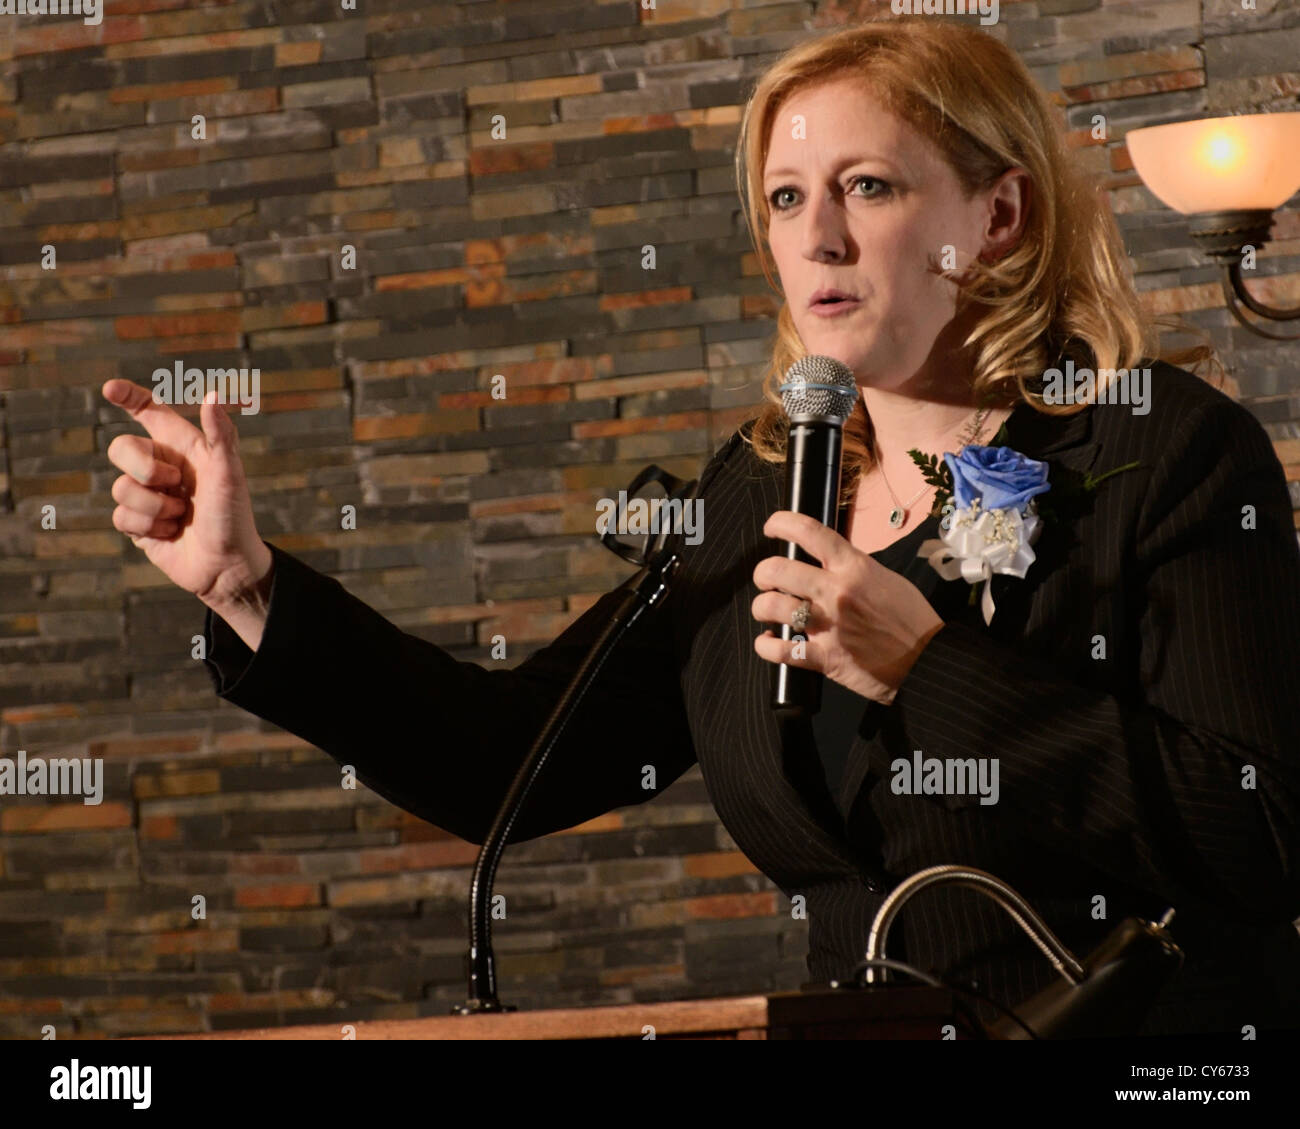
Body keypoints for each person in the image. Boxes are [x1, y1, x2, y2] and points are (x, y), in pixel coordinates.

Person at [101, 17, 1300, 1036]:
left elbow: (1264, 832)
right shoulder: (759, 490)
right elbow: (506, 759)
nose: (816, 236)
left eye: (867, 186)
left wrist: (928, 671)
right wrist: (248, 587)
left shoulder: (1158, 454)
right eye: (786, 199)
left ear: (995, 217)